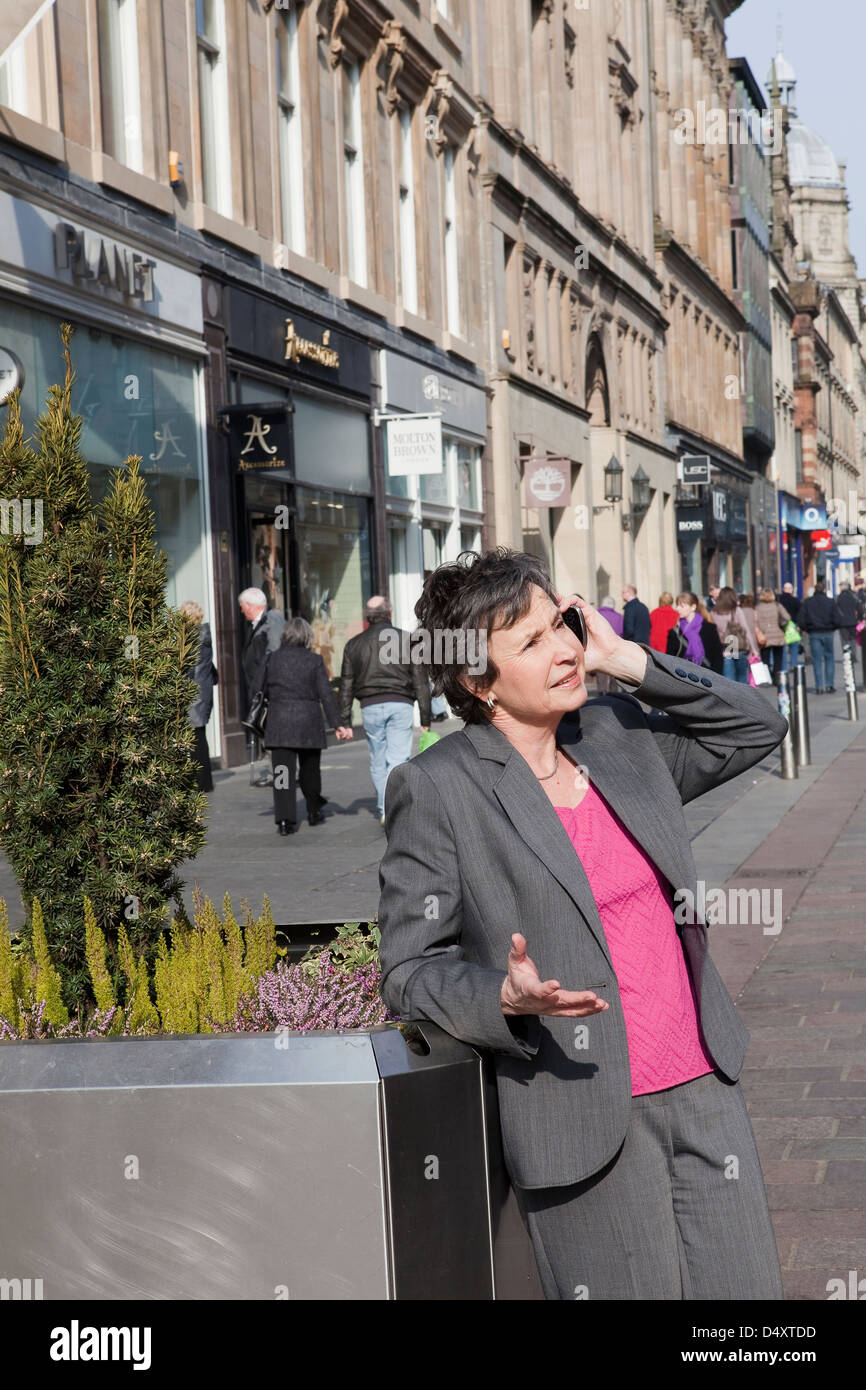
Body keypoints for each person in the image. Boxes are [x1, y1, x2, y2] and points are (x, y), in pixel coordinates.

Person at [377, 547, 786, 1301]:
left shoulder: (618, 735)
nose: (565, 648)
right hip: (581, 1112)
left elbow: (758, 725)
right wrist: (502, 998)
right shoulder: (439, 787)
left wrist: (627, 658)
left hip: (703, 1086)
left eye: (560, 624)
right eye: (530, 643)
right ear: (475, 680)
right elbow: (408, 965)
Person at [339, 596, 431, 826]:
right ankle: (393, 808)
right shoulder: (407, 641)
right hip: (400, 703)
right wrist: (425, 716)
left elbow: (346, 685)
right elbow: (420, 681)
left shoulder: (353, 645)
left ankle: (383, 807)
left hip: (369, 706)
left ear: (367, 616)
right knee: (398, 758)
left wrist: (345, 720)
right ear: (389, 612)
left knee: (378, 760)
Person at [261, 618, 352, 835]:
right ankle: (313, 812)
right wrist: (338, 724)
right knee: (310, 770)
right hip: (308, 723)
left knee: (282, 774)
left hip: (279, 724)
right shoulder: (314, 660)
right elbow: (326, 695)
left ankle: (285, 820)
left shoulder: (271, 659)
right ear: (307, 637)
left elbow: (258, 689)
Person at [239, 587, 286, 785]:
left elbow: (273, 655)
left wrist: (267, 685)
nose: (241, 611)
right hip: (260, 689)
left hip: (268, 691)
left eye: (242, 607)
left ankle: (281, 775)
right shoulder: (257, 624)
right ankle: (276, 773)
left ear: (250, 606)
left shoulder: (271, 621)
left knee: (274, 733)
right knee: (267, 732)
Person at [180, 600, 216, 793]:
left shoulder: (191, 638)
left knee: (195, 740)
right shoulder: (204, 635)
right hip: (203, 692)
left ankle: (201, 783)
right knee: (198, 738)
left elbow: (188, 669)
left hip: (193, 694)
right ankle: (204, 781)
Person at [798, 580, 840, 694]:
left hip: (814, 632)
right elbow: (837, 618)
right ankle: (829, 684)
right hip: (827, 632)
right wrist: (833, 627)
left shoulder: (808, 602)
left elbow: (801, 619)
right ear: (824, 590)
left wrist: (807, 628)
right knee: (829, 658)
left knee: (817, 659)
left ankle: (819, 686)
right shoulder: (830, 602)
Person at [666, 592, 723, 674]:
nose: (677, 608)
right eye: (677, 605)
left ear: (693, 607)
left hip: (707, 677)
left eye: (682, 606)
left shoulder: (710, 629)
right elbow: (670, 658)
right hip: (683, 677)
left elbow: (717, 657)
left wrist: (716, 678)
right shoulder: (675, 632)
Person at [711, 586, 753, 683]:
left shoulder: (714, 612)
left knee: (729, 681)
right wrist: (753, 649)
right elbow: (746, 629)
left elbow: (714, 632)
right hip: (739, 647)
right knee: (742, 678)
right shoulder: (736, 610)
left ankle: (730, 698)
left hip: (725, 649)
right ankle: (742, 698)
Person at [754, 588, 790, 688]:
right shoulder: (777, 605)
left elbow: (756, 621)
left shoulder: (758, 607)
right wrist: (781, 624)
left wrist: (762, 630)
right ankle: (777, 679)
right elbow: (787, 617)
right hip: (777, 635)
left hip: (765, 636)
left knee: (765, 659)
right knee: (778, 659)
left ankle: (768, 677)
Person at [595, 597, 622, 695]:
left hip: (599, 648)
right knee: (613, 673)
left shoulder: (596, 614)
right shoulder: (619, 616)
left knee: (601, 673)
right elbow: (622, 633)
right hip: (614, 649)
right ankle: (613, 694)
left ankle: (602, 692)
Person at [834, 582, 863, 650]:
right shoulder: (853, 597)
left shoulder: (838, 598)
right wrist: (860, 619)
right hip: (853, 621)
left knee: (844, 640)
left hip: (842, 623)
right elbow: (859, 608)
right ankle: (853, 655)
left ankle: (846, 655)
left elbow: (835, 610)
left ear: (842, 588)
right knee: (853, 639)